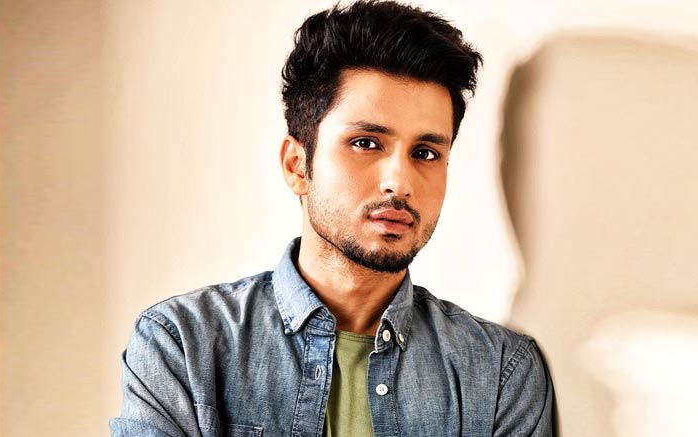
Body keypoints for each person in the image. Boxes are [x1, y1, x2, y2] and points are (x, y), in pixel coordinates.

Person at [109, 1, 554, 436]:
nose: (399, 182)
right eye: (366, 143)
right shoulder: (183, 345)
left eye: (425, 153)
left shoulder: (500, 371)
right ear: (297, 165)